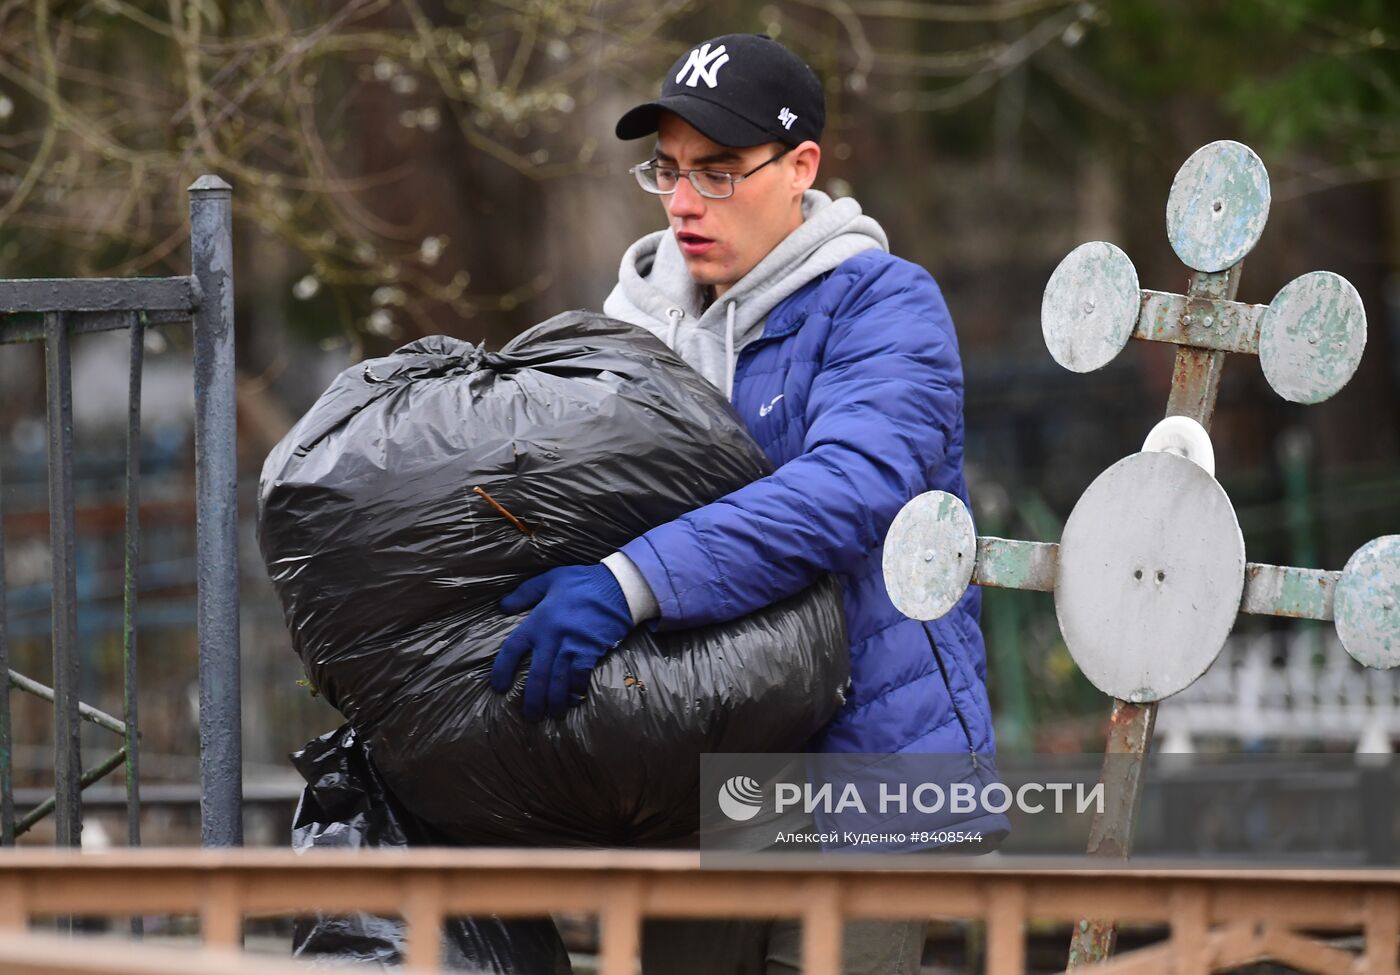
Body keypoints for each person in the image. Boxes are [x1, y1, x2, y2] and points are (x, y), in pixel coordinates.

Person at [489, 32, 1005, 974]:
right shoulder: (627, 335)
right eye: (670, 171)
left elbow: (844, 491)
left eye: (719, 172)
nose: (686, 202)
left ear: (801, 166)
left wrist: (630, 579)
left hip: (870, 770)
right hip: (701, 777)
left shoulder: (886, 308)